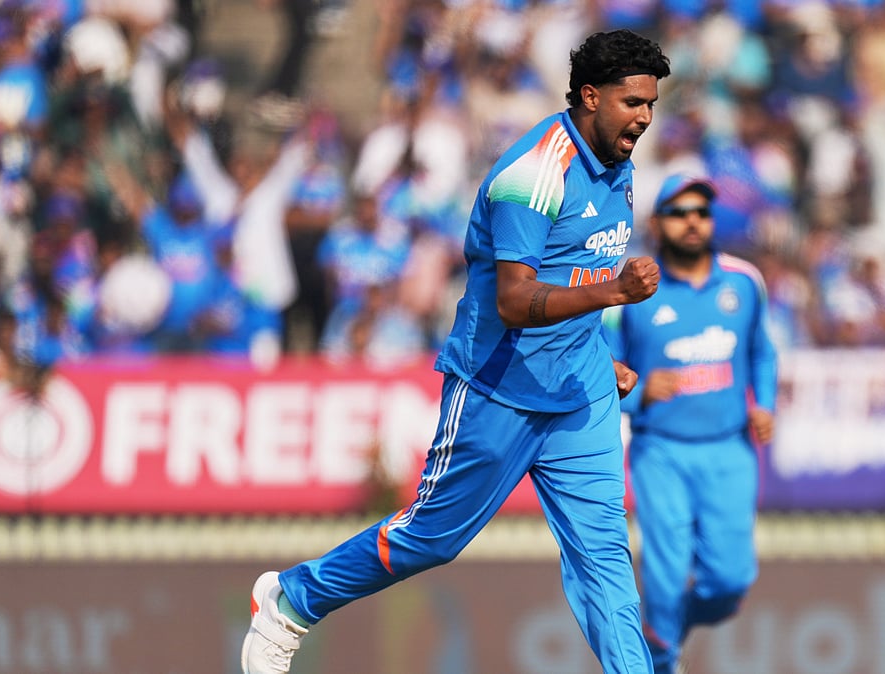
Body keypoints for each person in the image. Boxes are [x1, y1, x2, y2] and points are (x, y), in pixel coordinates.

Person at [241, 29, 671, 674]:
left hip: (577, 385)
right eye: (632, 102)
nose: (642, 118)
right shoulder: (532, 177)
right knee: (430, 540)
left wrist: (592, 349)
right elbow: (514, 299)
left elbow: (575, 264)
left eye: (650, 105)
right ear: (590, 95)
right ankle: (293, 598)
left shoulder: (618, 163)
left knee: (604, 554)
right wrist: (613, 293)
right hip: (499, 385)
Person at [604, 173, 777, 674]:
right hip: (662, 451)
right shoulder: (633, 289)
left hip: (730, 449)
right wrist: (636, 392)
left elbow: (762, 351)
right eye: (679, 213)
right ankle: (659, 661)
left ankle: (662, 637)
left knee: (729, 582)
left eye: (701, 211)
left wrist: (763, 404)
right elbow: (601, 371)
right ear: (657, 224)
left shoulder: (744, 282)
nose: (692, 222)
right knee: (664, 575)